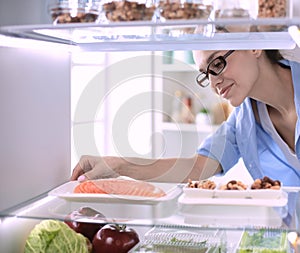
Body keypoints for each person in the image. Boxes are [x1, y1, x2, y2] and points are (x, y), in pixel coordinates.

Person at [71, 49, 300, 227]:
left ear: (254, 46)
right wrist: (118, 164)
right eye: (206, 74)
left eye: (218, 64)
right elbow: (197, 168)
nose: (214, 84)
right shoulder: (243, 122)